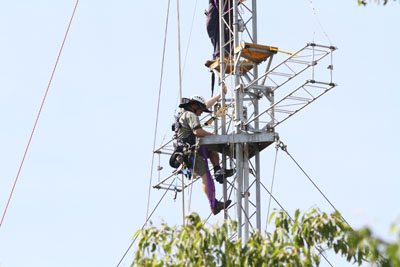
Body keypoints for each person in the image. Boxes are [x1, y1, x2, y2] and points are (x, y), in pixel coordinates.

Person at [175, 86, 233, 215]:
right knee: (205, 176)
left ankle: (218, 170)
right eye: (201, 109)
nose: (202, 112)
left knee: (212, 149)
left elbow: (205, 105)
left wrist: (218, 96)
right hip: (191, 153)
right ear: (195, 106)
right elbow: (197, 131)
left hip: (190, 149)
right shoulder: (191, 115)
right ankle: (213, 205)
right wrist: (213, 136)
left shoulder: (187, 113)